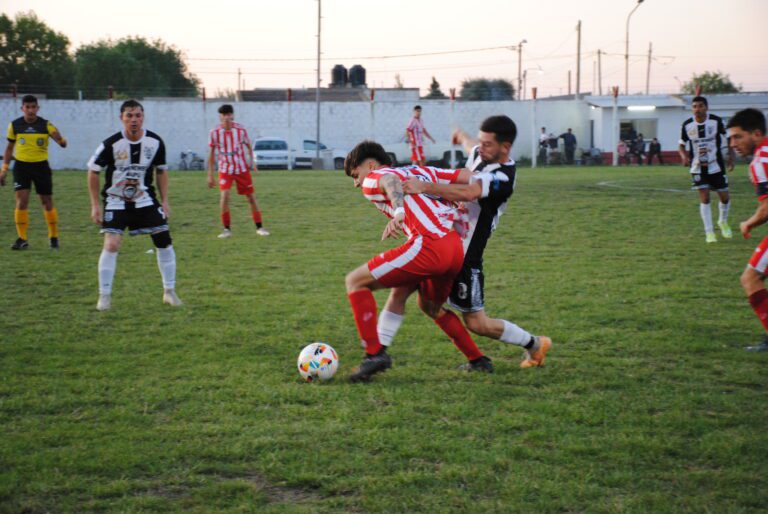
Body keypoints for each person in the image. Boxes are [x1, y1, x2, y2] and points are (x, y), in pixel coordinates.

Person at [379, 115, 552, 369]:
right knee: (405, 291)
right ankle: (377, 353)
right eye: (481, 142)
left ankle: (534, 344)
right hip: (438, 242)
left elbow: (469, 192)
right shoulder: (483, 153)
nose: (482, 147)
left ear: (506, 148)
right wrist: (459, 134)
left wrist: (424, 186)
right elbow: (471, 144)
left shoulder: (502, 178)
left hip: (465, 257)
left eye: (489, 144)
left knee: (477, 324)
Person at [343, 141, 491, 382]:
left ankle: (374, 355)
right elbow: (469, 176)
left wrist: (399, 211)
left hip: (430, 246)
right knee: (426, 305)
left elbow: (388, 183)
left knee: (355, 281)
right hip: (454, 248)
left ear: (370, 165)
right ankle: (478, 360)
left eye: (355, 175)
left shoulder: (375, 177)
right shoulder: (419, 171)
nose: (356, 183)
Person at [87, 99, 182, 311]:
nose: (134, 120)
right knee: (111, 245)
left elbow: (162, 171)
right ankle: (104, 296)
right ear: (121, 118)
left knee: (164, 241)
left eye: (138, 115)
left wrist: (165, 201)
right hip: (115, 201)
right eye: (129, 115)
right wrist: (95, 205)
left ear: (143, 118)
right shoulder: (111, 144)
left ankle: (169, 292)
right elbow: (93, 171)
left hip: (145, 200)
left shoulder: (155, 142)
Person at [0, 95, 67, 250]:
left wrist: (61, 140)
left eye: (33, 107)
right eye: (27, 107)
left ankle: (53, 237)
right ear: (22, 108)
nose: (30, 110)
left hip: (41, 167)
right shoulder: (15, 125)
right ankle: (22, 239)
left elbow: (63, 143)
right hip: (21, 167)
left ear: (38, 108)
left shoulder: (46, 125)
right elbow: (9, 148)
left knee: (46, 201)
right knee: (21, 201)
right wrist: (3, 170)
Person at [729, 109, 768, 351]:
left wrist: (748, 223)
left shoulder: (760, 161)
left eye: (738, 137)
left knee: (750, 277)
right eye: (731, 139)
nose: (733, 144)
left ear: (756, 133)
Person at [207, 104, 269, 239]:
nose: (228, 118)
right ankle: (226, 229)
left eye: (229, 114)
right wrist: (210, 175)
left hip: (241, 168)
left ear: (232, 115)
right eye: (225, 115)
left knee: (251, 197)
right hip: (225, 169)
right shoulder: (214, 133)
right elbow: (211, 154)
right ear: (220, 117)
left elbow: (249, 146)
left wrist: (252, 162)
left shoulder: (240, 130)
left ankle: (260, 227)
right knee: (225, 197)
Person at [678, 95, 735, 243]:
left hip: (716, 165)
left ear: (706, 108)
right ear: (692, 109)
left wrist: (730, 155)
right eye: (695, 106)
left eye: (701, 106)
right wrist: (684, 156)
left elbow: (728, 137)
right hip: (697, 167)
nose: (697, 109)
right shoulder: (687, 125)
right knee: (705, 198)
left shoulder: (716, 121)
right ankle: (709, 233)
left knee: (725, 197)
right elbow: (681, 144)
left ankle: (722, 221)